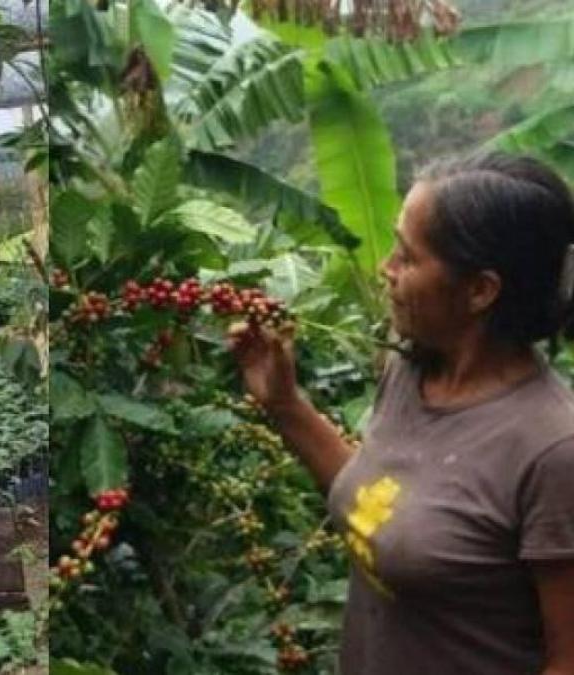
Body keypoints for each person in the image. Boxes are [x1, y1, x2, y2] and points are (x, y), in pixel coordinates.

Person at [230, 152, 574, 674]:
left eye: (408, 257)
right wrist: (285, 405)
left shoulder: (552, 451)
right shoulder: (411, 366)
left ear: (481, 290)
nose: (385, 269)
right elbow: (381, 504)